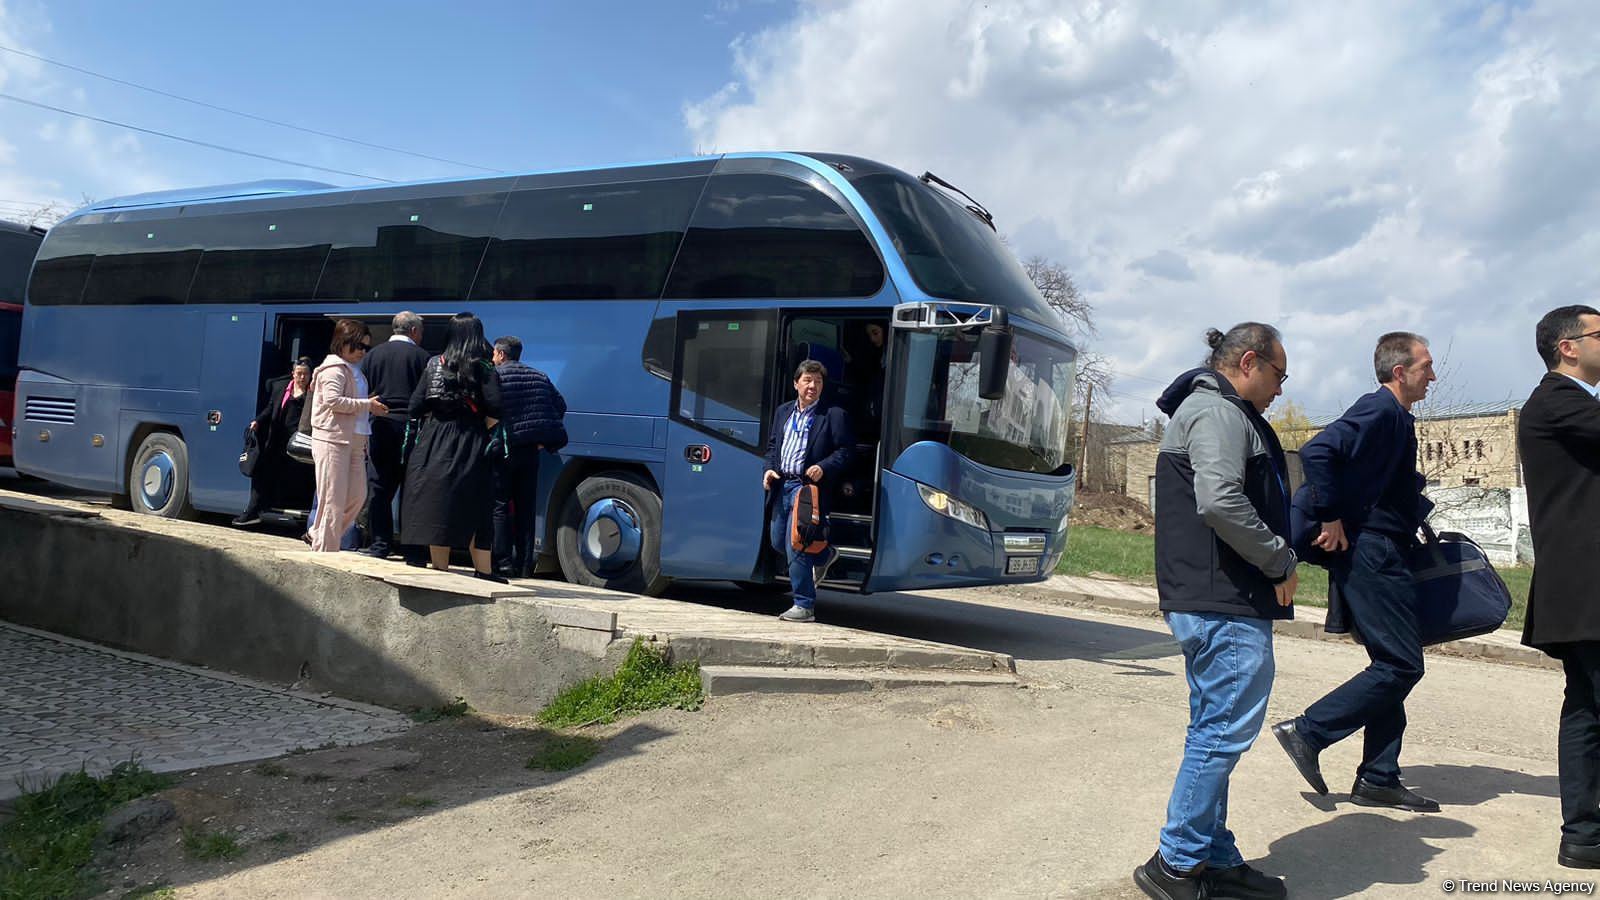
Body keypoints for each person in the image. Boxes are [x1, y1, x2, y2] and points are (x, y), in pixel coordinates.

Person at [1134, 323, 1296, 900]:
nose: (1281, 387)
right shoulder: (1219, 412)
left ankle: (1213, 857)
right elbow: (1220, 499)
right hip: (1221, 599)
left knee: (1214, 730)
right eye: (1279, 373)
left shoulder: (1219, 411)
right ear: (1249, 362)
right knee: (1221, 734)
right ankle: (1175, 865)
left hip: (1219, 598)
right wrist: (1279, 558)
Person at [1273, 332, 1439, 813]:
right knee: (1401, 664)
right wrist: (1329, 515)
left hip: (1378, 548)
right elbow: (1317, 452)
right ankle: (1308, 731)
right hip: (1372, 554)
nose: (1433, 375)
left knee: (1391, 663)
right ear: (1400, 372)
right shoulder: (1379, 409)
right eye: (1426, 366)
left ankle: (1379, 776)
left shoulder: (1396, 418)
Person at [1517, 305, 1600, 869]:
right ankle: (1584, 834)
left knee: (1588, 709)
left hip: (1582, 588)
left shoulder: (1569, 404)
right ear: (1568, 346)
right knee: (1589, 709)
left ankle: (1584, 835)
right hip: (1588, 587)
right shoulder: (1559, 400)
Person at [401, 312, 505, 582]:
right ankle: (483, 570)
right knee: (478, 504)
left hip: (434, 440)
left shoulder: (435, 363)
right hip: (471, 439)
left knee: (438, 502)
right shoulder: (484, 367)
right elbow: (495, 407)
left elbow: (415, 406)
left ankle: (440, 567)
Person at [762, 360, 852, 623]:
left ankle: (804, 605)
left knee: (796, 544)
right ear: (796, 383)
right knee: (778, 541)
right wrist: (768, 469)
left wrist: (823, 467)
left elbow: (846, 451)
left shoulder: (833, 414)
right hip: (782, 486)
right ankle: (825, 554)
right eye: (808, 380)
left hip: (807, 489)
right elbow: (772, 447)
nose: (813, 386)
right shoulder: (783, 412)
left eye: (818, 382)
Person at [490, 335, 568, 578]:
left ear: (501, 354)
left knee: (499, 505)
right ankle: (524, 564)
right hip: (531, 451)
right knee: (526, 507)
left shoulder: (497, 376)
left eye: (494, 354)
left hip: (503, 449)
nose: (492, 358)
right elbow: (560, 406)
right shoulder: (539, 376)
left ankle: (501, 562)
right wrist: (542, 440)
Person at [308, 320, 386, 552]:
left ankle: (319, 535)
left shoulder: (353, 370)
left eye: (366, 347)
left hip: (354, 440)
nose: (363, 351)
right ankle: (325, 548)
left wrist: (367, 405)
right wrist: (367, 405)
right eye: (359, 346)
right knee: (333, 499)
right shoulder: (334, 369)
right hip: (333, 439)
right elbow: (333, 401)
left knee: (357, 496)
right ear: (342, 343)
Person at [361, 311, 431, 560]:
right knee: (412, 490)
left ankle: (380, 545)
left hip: (380, 425)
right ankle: (413, 551)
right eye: (421, 331)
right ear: (413, 331)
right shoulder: (424, 358)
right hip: (413, 429)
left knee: (379, 488)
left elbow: (364, 392)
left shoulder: (373, 355)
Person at [233, 357, 313, 526]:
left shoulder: (313, 393)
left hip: (298, 443)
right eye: (299, 373)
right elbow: (270, 408)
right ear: (293, 374)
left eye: (306, 374)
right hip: (276, 439)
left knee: (297, 478)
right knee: (261, 473)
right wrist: (258, 421)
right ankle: (253, 510)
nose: (302, 377)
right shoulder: (281, 388)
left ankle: (300, 514)